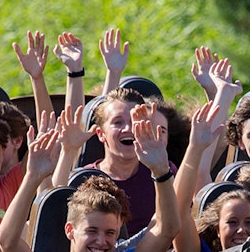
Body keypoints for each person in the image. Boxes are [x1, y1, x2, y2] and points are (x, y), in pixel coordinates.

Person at [0, 112, 180, 252]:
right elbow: (7, 241)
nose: (102, 241)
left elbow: (167, 229)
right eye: (92, 231)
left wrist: (160, 171)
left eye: (110, 233)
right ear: (70, 230)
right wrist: (32, 177)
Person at [52, 87, 173, 235]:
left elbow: (177, 218)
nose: (127, 128)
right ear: (101, 134)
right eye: (118, 122)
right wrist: (68, 151)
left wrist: (160, 167)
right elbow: (52, 209)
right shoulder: (85, 178)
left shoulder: (162, 171)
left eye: (133, 121)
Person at [171, 101, 250, 252]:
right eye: (232, 222)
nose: (241, 230)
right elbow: (177, 210)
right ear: (218, 229)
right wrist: (195, 148)